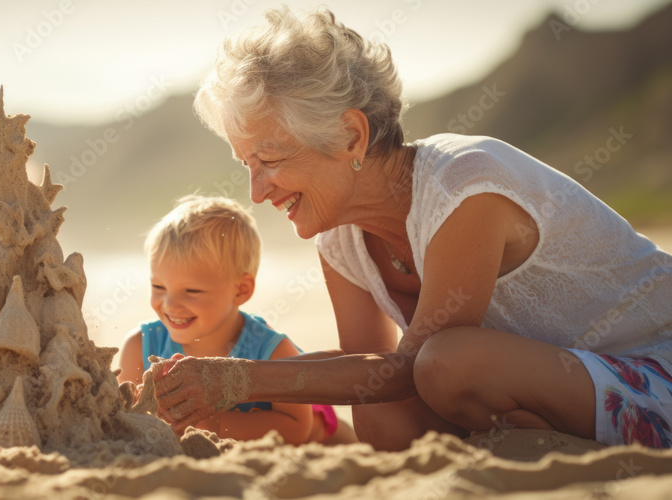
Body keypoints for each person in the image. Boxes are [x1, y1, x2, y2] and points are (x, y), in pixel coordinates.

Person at [153, 6, 672, 450]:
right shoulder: (339, 235)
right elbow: (373, 371)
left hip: (653, 365)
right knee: (381, 414)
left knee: (448, 363)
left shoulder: (465, 184)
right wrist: (215, 375)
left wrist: (238, 380)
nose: (257, 192)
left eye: (268, 159)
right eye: (247, 165)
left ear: (351, 135)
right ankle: (534, 454)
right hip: (557, 386)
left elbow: (415, 363)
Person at [118, 195, 355, 445]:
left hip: (319, 427)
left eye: (192, 291)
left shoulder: (272, 350)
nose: (170, 304)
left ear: (240, 290)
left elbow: (298, 429)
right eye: (158, 286)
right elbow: (126, 413)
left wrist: (212, 424)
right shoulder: (141, 345)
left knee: (345, 437)